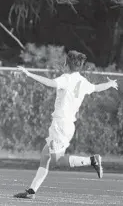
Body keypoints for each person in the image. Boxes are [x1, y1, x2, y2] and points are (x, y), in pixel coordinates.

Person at [14, 50, 119, 199]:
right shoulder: (83, 81)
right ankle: (31, 191)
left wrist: (29, 74)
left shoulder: (66, 78)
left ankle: (92, 160)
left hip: (60, 124)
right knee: (45, 156)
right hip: (66, 124)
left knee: (57, 160)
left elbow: (50, 83)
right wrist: (109, 84)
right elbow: (96, 88)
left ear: (66, 64)